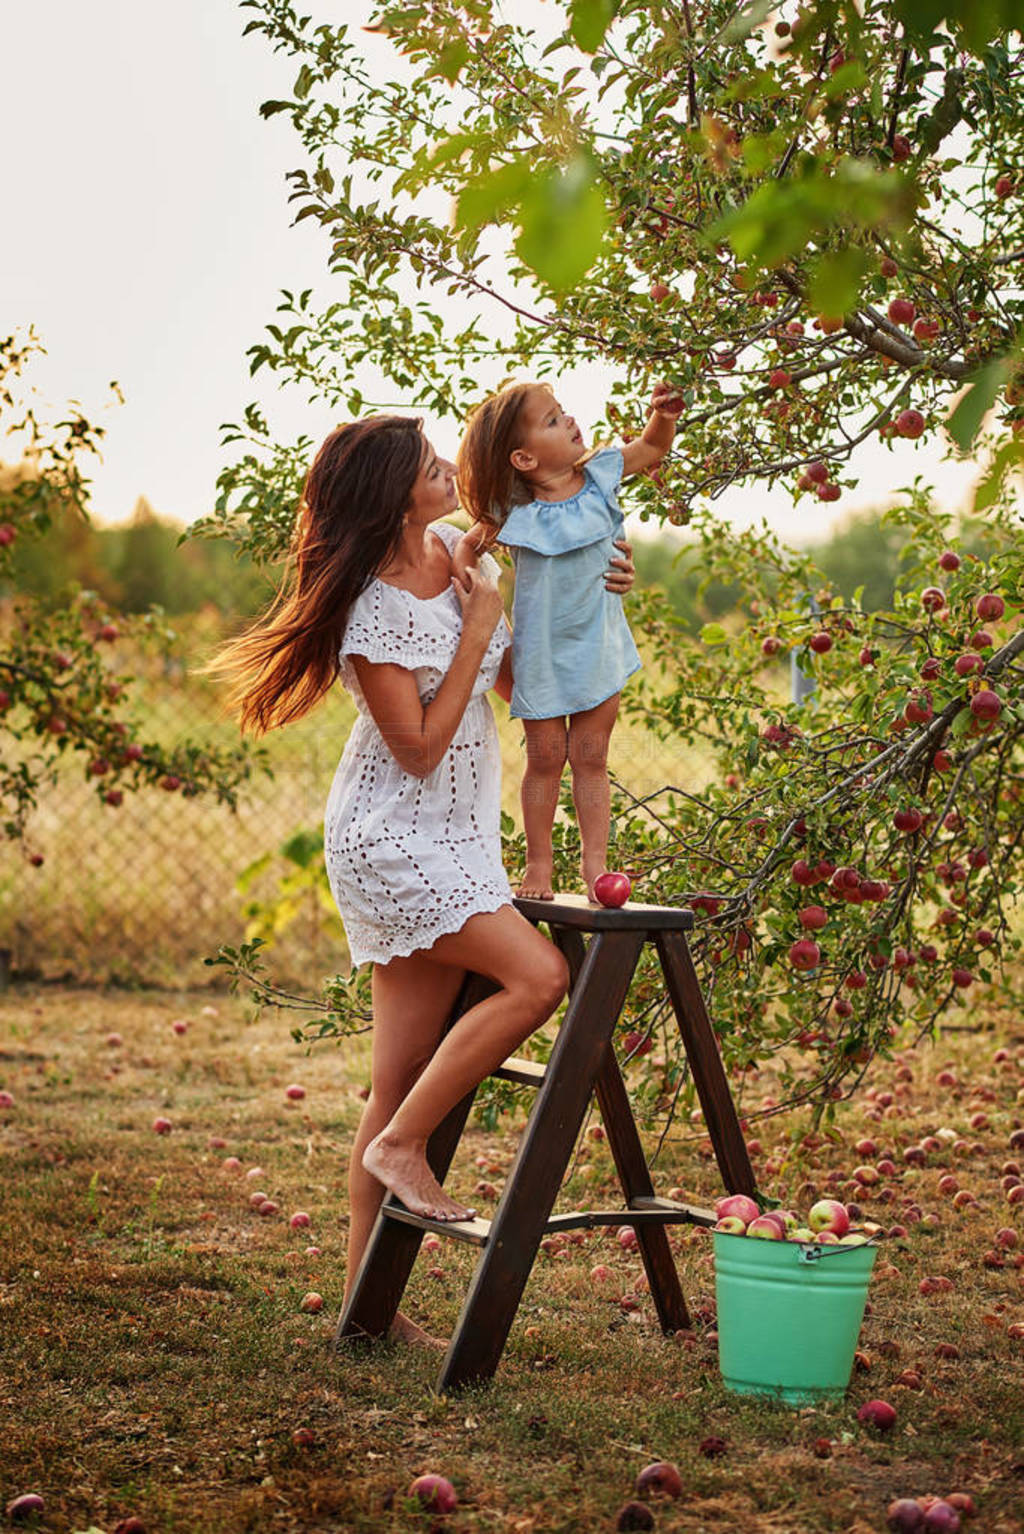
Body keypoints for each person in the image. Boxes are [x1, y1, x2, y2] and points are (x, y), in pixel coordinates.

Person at [210, 414, 635, 1341]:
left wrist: (590, 597)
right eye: (428, 463)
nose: (448, 468)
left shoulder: (453, 549)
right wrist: (483, 617)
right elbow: (417, 751)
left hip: (458, 835)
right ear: (391, 490)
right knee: (539, 978)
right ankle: (405, 1146)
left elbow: (519, 677)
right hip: (394, 837)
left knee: (396, 1071)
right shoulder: (371, 607)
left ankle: (367, 1311)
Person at [454, 380, 681, 902]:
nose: (571, 420)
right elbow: (467, 548)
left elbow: (652, 448)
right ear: (524, 457)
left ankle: (594, 865)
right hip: (542, 661)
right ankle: (539, 866)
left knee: (591, 758)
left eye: (564, 411)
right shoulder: (514, 513)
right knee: (545, 760)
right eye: (553, 420)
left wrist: (662, 414)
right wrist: (472, 594)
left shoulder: (601, 476)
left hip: (599, 649)